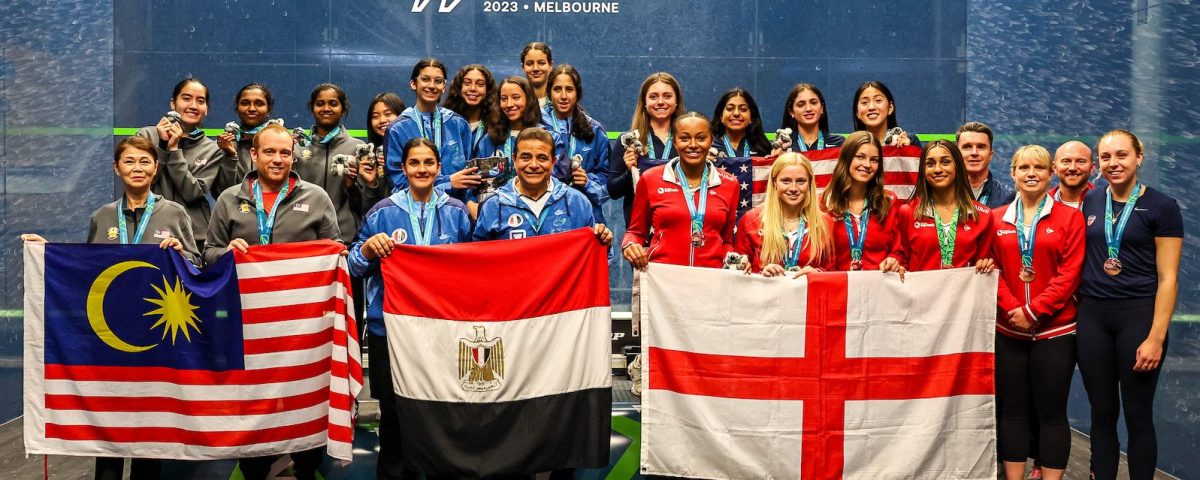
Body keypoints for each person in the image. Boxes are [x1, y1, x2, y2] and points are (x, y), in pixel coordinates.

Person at [24, 136, 199, 479]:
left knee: (150, 432)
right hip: (107, 340)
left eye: (145, 161)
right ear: (116, 168)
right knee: (109, 429)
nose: (138, 168)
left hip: (155, 341)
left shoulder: (174, 213)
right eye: (130, 161)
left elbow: (196, 268)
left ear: (156, 168)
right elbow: (88, 270)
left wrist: (182, 253)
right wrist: (49, 255)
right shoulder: (102, 216)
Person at [204, 123, 341, 480]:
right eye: (269, 152)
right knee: (253, 405)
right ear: (254, 154)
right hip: (248, 326)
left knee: (306, 399)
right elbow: (208, 253)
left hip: (304, 327)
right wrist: (226, 253)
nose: (278, 159)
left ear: (293, 156)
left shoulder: (316, 197)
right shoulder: (230, 199)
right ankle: (254, 469)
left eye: (285, 153)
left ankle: (307, 469)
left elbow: (335, 254)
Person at [349, 138, 472, 480]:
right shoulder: (383, 212)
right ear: (403, 169)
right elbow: (353, 266)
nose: (422, 169)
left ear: (438, 168)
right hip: (389, 330)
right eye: (414, 163)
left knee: (443, 411)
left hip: (443, 330)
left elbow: (473, 269)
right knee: (393, 416)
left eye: (428, 163)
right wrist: (369, 250)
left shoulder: (457, 213)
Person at [1077, 130, 1182, 480]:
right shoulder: (1091, 201)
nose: (1113, 163)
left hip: (1139, 317)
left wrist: (1156, 336)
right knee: (1101, 411)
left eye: (1122, 155)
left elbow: (1168, 278)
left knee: (1138, 414)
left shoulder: (1162, 206)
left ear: (1140, 157)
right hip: (1093, 317)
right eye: (1105, 157)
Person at [990, 145, 1085, 480]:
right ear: (1013, 173)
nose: (1032, 173)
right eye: (1024, 167)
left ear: (1051, 174)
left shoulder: (1071, 218)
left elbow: (1070, 274)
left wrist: (1033, 310)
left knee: (1051, 414)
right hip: (1009, 331)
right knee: (1013, 413)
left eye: (1039, 168)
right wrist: (1013, 308)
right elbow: (991, 270)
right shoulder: (995, 217)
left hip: (1055, 332)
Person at [621, 112, 739, 269]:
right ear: (674, 141)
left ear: (711, 140)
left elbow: (727, 241)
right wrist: (629, 245)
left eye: (701, 138)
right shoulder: (651, 179)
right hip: (663, 279)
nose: (693, 144)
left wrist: (735, 261)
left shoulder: (729, 183)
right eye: (684, 138)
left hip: (712, 280)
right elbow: (635, 232)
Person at [136, 77, 235, 246]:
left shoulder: (212, 149)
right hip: (149, 230)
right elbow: (143, 183)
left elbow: (192, 193)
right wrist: (162, 146)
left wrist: (174, 152)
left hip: (193, 238)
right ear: (173, 104)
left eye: (200, 101)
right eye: (186, 98)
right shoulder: (146, 136)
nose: (193, 106)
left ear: (206, 110)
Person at [473, 127, 612, 244]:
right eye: (526, 157)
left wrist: (603, 241)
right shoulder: (493, 206)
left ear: (553, 162)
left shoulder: (577, 203)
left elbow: (595, 258)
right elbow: (479, 263)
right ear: (514, 160)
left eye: (542, 158)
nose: (533, 165)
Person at [880, 140, 994, 274]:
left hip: (963, 294)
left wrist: (986, 264)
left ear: (957, 166)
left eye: (945, 162)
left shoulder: (983, 215)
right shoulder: (908, 212)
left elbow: (987, 264)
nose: (938, 169)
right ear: (923, 170)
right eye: (930, 164)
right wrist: (895, 262)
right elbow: (901, 257)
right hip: (920, 294)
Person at [293, 83, 386, 245]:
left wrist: (351, 186)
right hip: (305, 239)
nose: (326, 108)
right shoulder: (297, 149)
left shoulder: (358, 149)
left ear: (343, 110)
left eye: (333, 104)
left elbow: (365, 204)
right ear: (312, 108)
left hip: (345, 240)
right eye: (320, 103)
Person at [385, 59, 476, 197]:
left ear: (444, 86)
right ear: (413, 83)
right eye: (425, 79)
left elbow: (470, 175)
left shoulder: (458, 124)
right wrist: (448, 182)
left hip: (454, 210)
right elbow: (399, 182)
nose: (432, 86)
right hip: (413, 209)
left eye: (438, 81)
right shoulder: (397, 129)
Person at [734, 152, 834, 275]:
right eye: (786, 181)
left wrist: (817, 273)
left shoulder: (825, 222)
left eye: (801, 181)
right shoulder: (752, 220)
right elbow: (739, 273)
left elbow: (833, 270)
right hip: (764, 293)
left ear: (809, 184)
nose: (793, 188)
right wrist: (761, 274)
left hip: (808, 293)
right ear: (775, 182)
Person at [608, 72, 684, 226]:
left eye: (667, 96)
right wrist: (629, 172)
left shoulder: (687, 142)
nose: (660, 102)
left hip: (680, 227)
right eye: (654, 97)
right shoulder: (628, 141)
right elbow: (613, 191)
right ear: (644, 102)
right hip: (640, 235)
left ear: (676, 102)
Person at [542, 64, 610, 224]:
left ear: (577, 93)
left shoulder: (595, 130)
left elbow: (607, 180)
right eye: (557, 89)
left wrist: (587, 182)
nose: (563, 96)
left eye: (569, 89)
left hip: (586, 213)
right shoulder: (537, 128)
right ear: (549, 93)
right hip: (546, 213)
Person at [822, 131, 898, 270]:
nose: (867, 164)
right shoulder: (824, 203)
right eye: (860, 157)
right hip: (838, 287)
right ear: (846, 158)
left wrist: (894, 259)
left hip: (878, 286)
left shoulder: (887, 202)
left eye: (874, 160)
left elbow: (898, 249)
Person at [217, 83, 275, 182]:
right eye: (245, 103)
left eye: (259, 103)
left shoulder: (281, 145)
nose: (251, 109)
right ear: (237, 108)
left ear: (268, 110)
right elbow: (222, 192)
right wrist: (230, 156)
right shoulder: (225, 145)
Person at [957, 121, 1015, 208]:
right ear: (957, 153)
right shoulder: (942, 195)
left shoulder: (1007, 198)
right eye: (967, 147)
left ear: (991, 155)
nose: (974, 153)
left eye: (981, 147)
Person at [443, 64, 497, 153]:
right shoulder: (446, 122)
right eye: (467, 83)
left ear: (488, 90)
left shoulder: (496, 126)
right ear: (459, 88)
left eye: (480, 84)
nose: (473, 88)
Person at [850, 80, 920, 148]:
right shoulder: (851, 146)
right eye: (864, 102)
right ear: (857, 112)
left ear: (890, 107)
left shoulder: (910, 141)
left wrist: (907, 151)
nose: (871, 107)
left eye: (878, 100)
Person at [780, 83, 845, 152]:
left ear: (822, 108)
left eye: (813, 103)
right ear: (791, 112)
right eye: (801, 105)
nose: (808, 109)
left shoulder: (839, 143)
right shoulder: (784, 146)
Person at [709, 88, 773, 158]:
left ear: (751, 116)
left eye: (743, 109)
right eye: (730, 109)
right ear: (721, 116)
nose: (736, 113)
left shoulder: (764, 149)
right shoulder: (709, 148)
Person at [366, 92, 407, 190]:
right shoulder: (368, 158)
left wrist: (395, 164)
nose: (382, 120)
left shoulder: (416, 151)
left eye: (388, 114)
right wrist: (371, 184)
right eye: (375, 116)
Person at [1050, 140, 1096, 209]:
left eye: (1081, 161)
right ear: (1055, 168)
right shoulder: (1041, 204)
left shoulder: (1105, 202)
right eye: (1066, 161)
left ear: (1092, 168)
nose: (1072, 168)